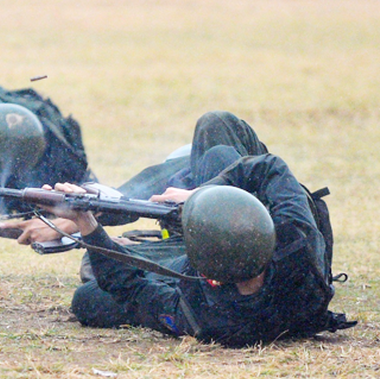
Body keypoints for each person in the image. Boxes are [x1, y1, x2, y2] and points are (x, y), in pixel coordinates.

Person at [45, 147, 353, 346]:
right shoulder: (296, 240)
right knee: (219, 155)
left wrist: (86, 222)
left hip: (205, 286)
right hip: (277, 297)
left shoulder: (201, 314)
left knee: (87, 299)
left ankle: (136, 248)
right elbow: (270, 167)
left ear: (202, 268)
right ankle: (135, 247)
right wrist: (201, 194)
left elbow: (129, 288)